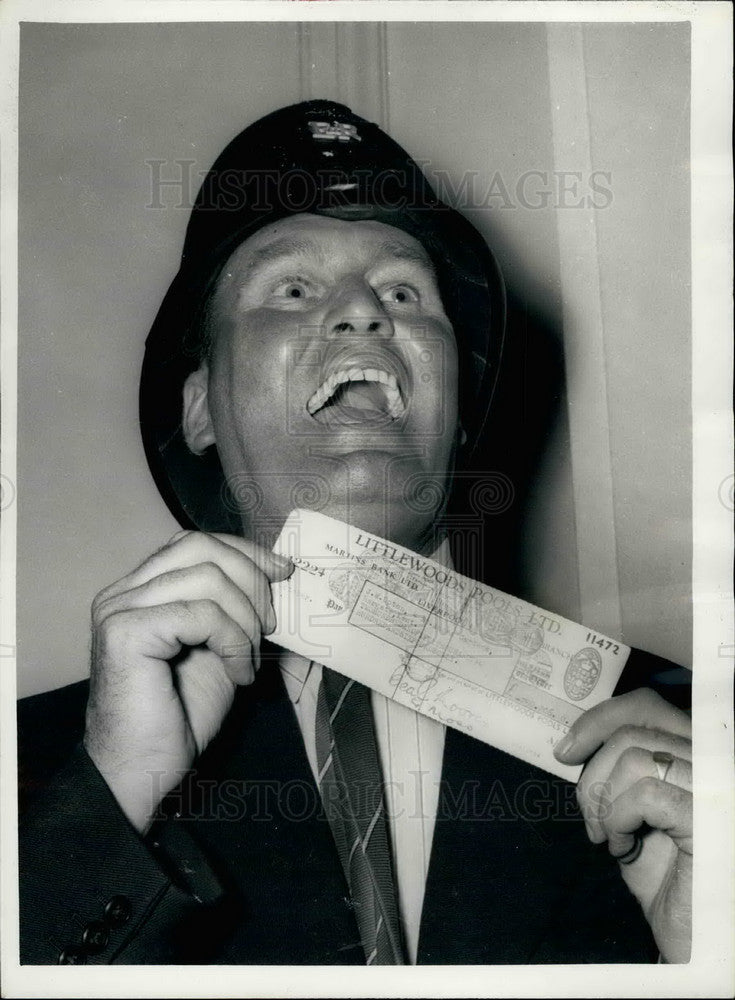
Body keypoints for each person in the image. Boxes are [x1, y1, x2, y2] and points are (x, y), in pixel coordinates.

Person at [17, 100, 692, 966]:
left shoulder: (689, 740)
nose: (362, 313)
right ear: (198, 410)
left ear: (457, 416)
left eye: (405, 291)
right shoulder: (43, 774)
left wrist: (705, 952)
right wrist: (112, 803)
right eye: (290, 289)